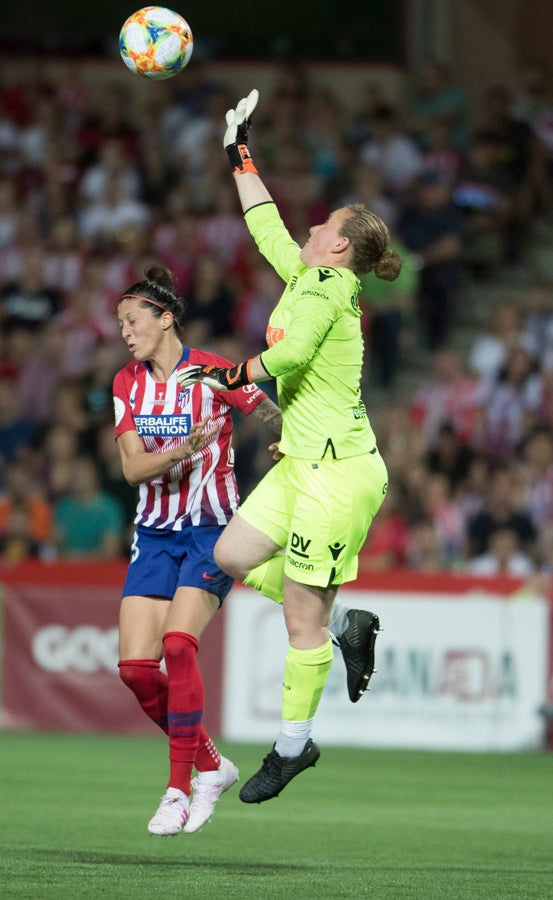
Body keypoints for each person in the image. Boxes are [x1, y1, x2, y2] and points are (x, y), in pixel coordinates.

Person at [178, 89, 401, 804]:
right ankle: (344, 623)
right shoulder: (310, 274)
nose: (309, 225)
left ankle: (292, 746)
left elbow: (293, 352)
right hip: (302, 461)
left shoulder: (329, 288)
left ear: (339, 246)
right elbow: (265, 223)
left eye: (323, 224)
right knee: (230, 556)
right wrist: (237, 151)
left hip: (338, 475)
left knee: (298, 620)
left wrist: (230, 375)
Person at [113, 262, 282, 835]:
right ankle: (213, 765)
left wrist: (287, 438)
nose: (125, 333)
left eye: (133, 321)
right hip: (155, 532)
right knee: (136, 670)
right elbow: (133, 469)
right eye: (121, 324)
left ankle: (177, 789)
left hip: (212, 530)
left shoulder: (213, 371)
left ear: (165, 319)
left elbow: (268, 411)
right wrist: (182, 450)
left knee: (178, 645)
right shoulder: (127, 383)